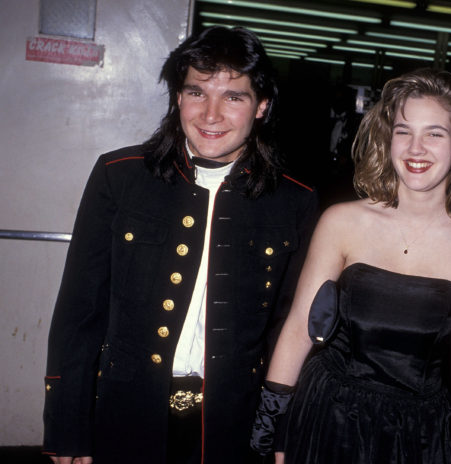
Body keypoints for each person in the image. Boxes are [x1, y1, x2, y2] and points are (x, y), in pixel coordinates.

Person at [42, 26, 317, 464]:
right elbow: (79, 313)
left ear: (261, 106)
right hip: (125, 413)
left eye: (233, 97)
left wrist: (281, 432)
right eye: (196, 93)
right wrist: (67, 426)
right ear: (177, 99)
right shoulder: (121, 176)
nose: (210, 114)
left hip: (233, 425)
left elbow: (290, 329)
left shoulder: (294, 201)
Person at [251, 68, 451, 463]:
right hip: (326, 418)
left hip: (419, 435)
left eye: (434, 133)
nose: (415, 148)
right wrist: (268, 434)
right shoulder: (343, 222)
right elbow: (301, 327)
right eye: (403, 131)